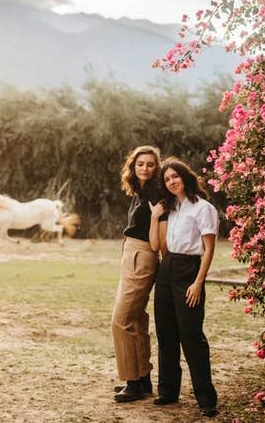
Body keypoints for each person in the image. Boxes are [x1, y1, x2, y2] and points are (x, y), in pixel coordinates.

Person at [148, 157, 219, 418]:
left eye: (175, 176)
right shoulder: (172, 209)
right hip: (166, 268)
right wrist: (156, 218)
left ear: (185, 176)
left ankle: (206, 398)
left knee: (191, 334)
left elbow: (209, 249)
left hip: (189, 269)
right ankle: (168, 391)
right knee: (166, 332)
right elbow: (161, 246)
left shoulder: (203, 208)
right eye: (167, 179)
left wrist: (198, 282)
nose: (171, 181)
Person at [111, 145, 163, 403]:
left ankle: (132, 382)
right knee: (137, 319)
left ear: (156, 167)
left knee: (121, 320)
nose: (144, 168)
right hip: (131, 252)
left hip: (142, 254)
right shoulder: (140, 191)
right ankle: (143, 379)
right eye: (140, 163)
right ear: (133, 166)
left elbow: (159, 229)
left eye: (150, 164)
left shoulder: (155, 192)